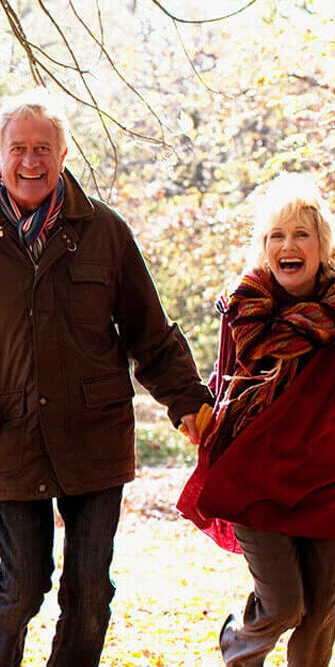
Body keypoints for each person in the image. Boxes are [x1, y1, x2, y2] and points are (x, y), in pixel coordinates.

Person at [0, 87, 211, 666]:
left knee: (91, 592)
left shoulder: (106, 232)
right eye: (18, 148)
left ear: (65, 155)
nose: (31, 161)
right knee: (22, 584)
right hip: (8, 436)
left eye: (44, 148)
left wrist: (189, 402)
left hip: (94, 434)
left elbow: (150, 332)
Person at [177, 173, 335, 666]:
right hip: (254, 477)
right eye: (276, 236)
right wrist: (197, 418)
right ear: (264, 247)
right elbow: (225, 381)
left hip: (326, 476)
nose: (289, 245)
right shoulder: (245, 309)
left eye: (301, 234)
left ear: (321, 245)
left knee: (323, 610)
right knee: (285, 603)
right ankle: (238, 648)